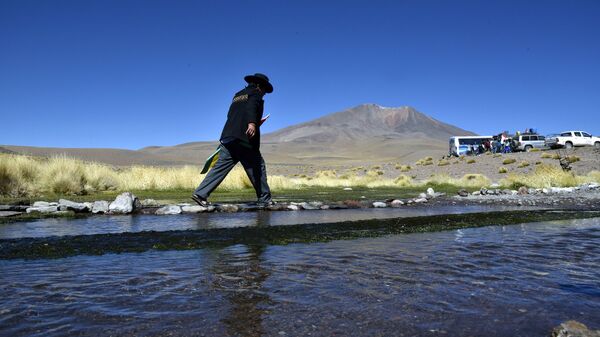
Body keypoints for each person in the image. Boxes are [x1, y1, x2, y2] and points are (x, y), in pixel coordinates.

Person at [192, 73, 274, 207]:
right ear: (260, 86)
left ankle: (200, 194)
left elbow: (232, 114)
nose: (265, 93)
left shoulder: (238, 95)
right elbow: (251, 107)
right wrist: (252, 123)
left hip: (229, 137)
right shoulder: (256, 94)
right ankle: (265, 200)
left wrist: (253, 122)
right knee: (258, 166)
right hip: (244, 140)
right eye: (265, 90)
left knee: (220, 168)